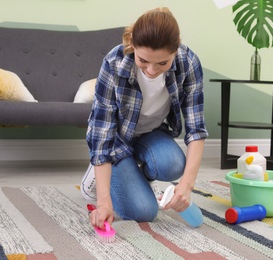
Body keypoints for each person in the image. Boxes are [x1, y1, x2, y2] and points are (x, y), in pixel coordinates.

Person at [81, 7, 208, 229]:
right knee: (144, 212)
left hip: (151, 135)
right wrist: (103, 203)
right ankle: (99, 176)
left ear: (175, 49)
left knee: (174, 164)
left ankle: (131, 178)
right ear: (132, 44)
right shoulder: (114, 63)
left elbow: (196, 129)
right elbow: (102, 135)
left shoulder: (188, 63)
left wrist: (187, 185)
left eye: (162, 63)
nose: (151, 70)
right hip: (116, 142)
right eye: (143, 60)